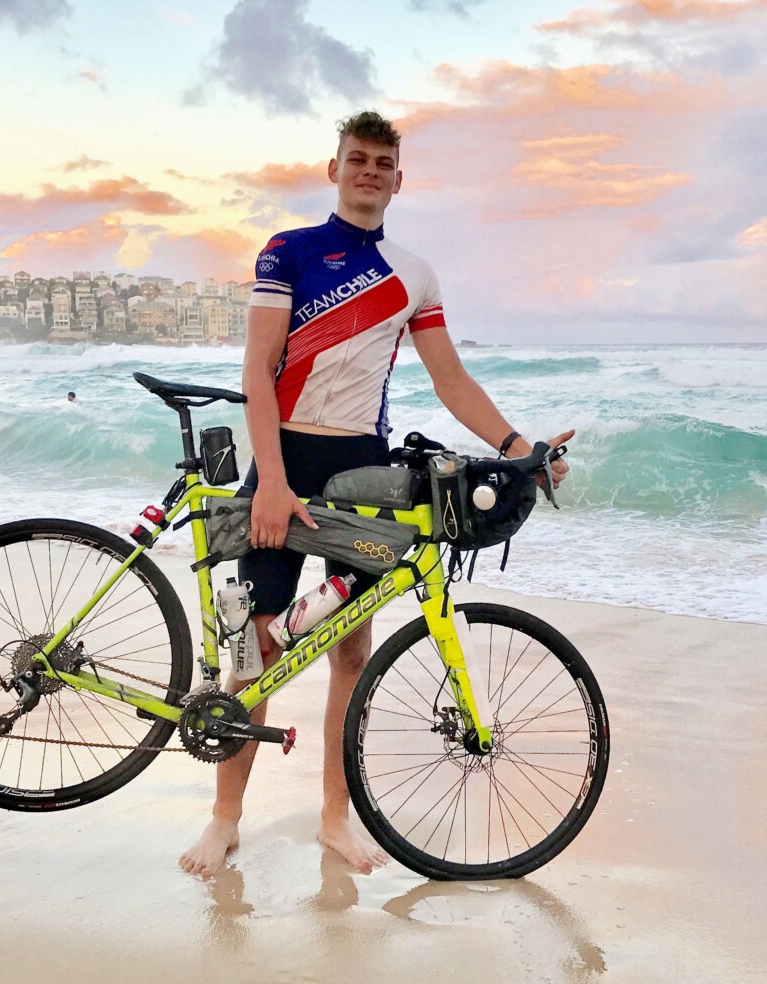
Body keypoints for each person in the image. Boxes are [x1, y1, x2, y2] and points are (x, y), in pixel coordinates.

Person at [178, 110, 574, 878]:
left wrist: (523, 452)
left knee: (349, 645)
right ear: (334, 170)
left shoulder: (414, 274)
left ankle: (335, 818)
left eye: (382, 162)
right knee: (257, 646)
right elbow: (257, 374)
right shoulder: (288, 251)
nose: (368, 171)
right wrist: (273, 483)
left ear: (399, 177)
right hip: (284, 453)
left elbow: (450, 380)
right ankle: (224, 819)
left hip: (363, 468)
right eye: (355, 159)